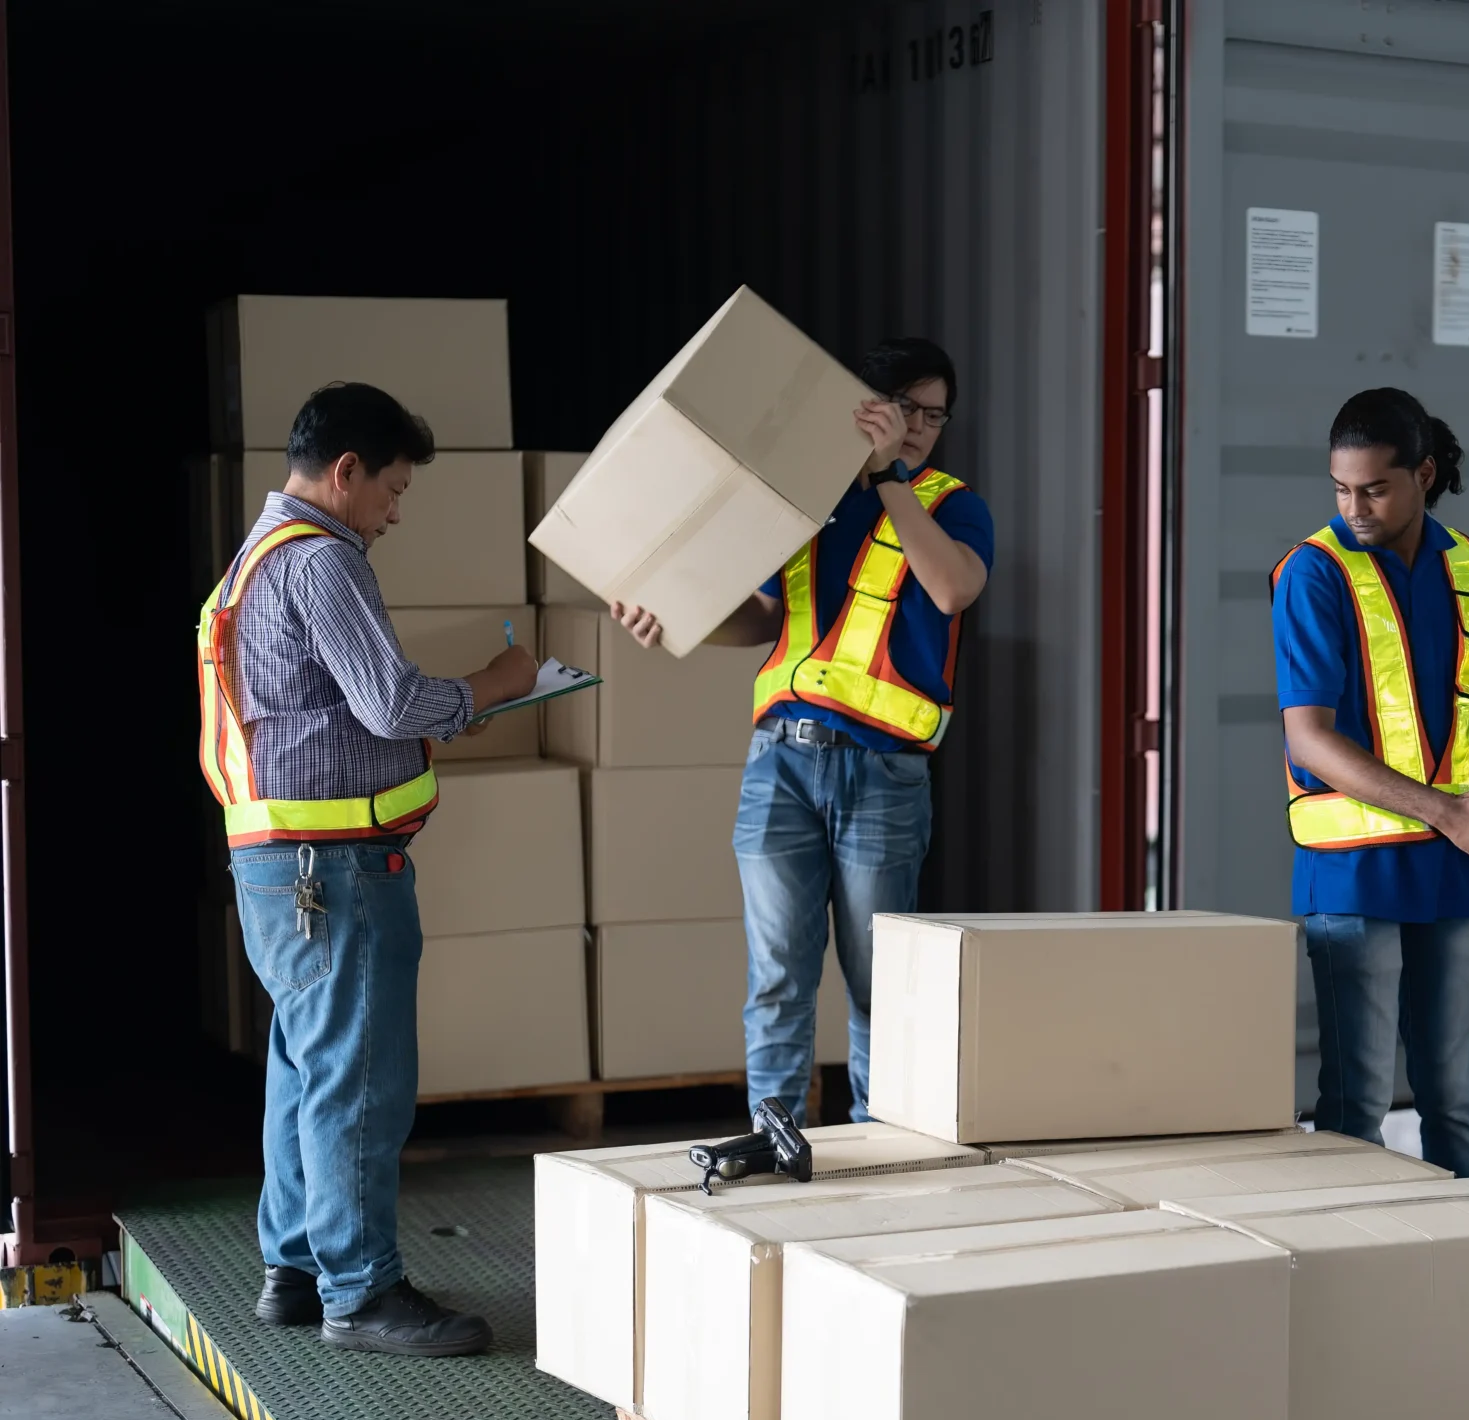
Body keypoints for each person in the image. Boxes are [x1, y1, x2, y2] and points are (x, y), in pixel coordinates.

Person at [201, 382, 535, 1355]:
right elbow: (391, 705)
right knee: (360, 1079)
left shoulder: (251, 562)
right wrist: (496, 687)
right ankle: (362, 1295)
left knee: (306, 1068)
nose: (394, 511)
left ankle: (297, 1270)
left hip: (282, 863)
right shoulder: (320, 564)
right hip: (335, 867)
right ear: (343, 473)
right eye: (390, 489)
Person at [611, 337, 989, 1123]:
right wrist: (676, 616)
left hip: (883, 773)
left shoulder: (952, 505)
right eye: (905, 409)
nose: (919, 427)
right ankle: (772, 1146)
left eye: (934, 414)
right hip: (780, 762)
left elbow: (952, 590)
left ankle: (877, 1143)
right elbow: (762, 618)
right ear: (865, 408)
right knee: (778, 978)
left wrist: (889, 477)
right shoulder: (799, 501)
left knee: (876, 981)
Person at [1271, 389, 1469, 1179]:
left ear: (1424, 473)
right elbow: (1308, 733)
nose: (1355, 507)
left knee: (1454, 1092)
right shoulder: (1313, 572)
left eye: (1374, 488)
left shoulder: (1462, 560)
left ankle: (1461, 1273)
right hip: (1354, 872)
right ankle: (1358, 1276)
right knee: (1358, 1100)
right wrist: (1448, 811)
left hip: (1449, 869)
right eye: (1342, 489)